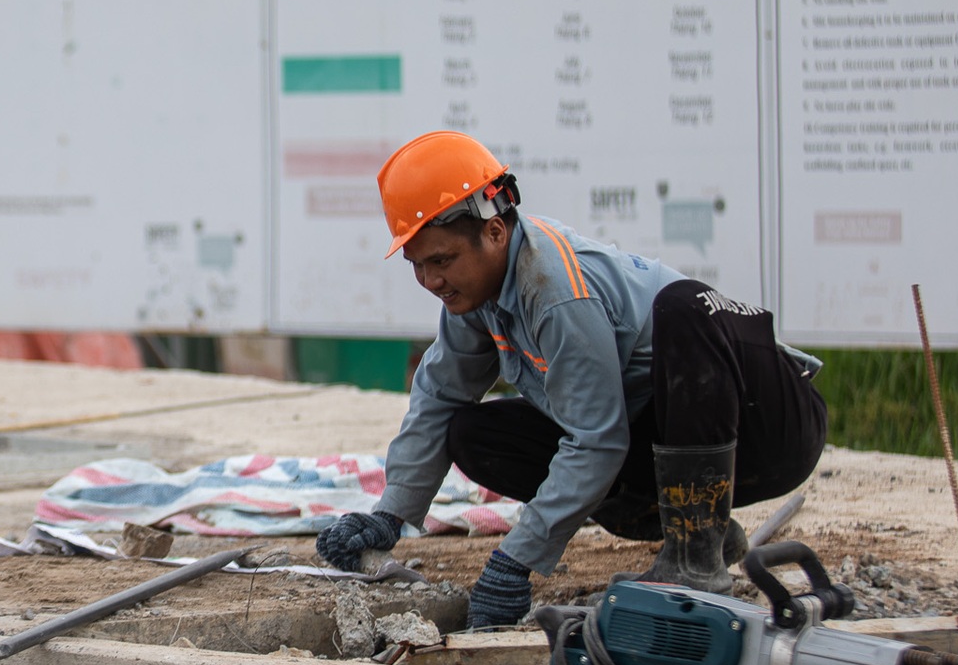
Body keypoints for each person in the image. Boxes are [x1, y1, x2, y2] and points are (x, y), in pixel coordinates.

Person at [315, 132, 826, 628]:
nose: (430, 282)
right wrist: (391, 513)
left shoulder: (556, 291)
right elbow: (440, 396)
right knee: (472, 434)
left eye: (441, 261)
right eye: (418, 265)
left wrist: (517, 560)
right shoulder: (474, 296)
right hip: (666, 434)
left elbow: (596, 441)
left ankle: (697, 562)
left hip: (772, 426)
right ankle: (702, 533)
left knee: (684, 307)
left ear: (494, 233)